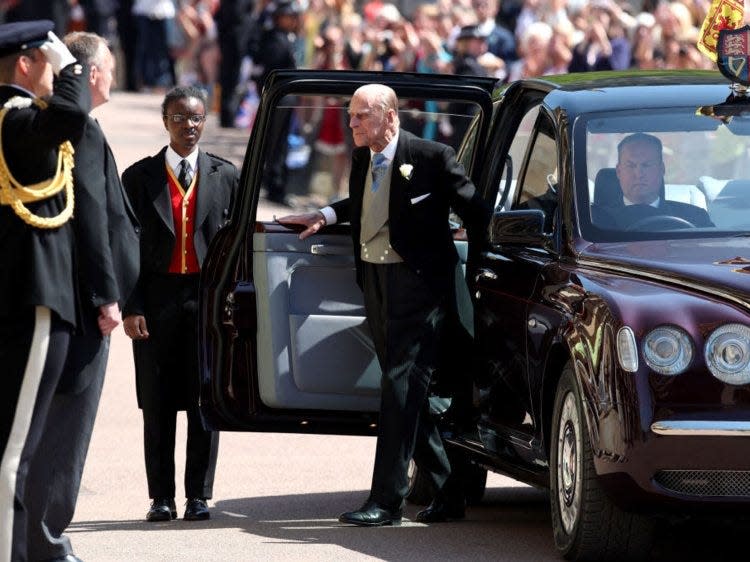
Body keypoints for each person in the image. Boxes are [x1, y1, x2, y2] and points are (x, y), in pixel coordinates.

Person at [277, 83, 490, 526]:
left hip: (419, 288)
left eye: (361, 116)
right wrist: (327, 215)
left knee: (397, 386)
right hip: (374, 280)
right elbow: (366, 201)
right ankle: (450, 489)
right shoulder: (363, 155)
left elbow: (476, 211)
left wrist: (471, 268)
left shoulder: (433, 156)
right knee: (406, 392)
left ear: (389, 116)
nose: (351, 124)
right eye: (351, 116)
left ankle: (387, 501)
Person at [23, 31, 140, 562]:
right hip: (86, 303)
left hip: (74, 299)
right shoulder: (84, 131)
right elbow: (92, 217)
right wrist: (107, 296)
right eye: (110, 67)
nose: (113, 75)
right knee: (66, 429)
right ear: (91, 73)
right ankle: (45, 540)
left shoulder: (75, 126)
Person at [122, 85, 238, 522]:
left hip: (205, 301)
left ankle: (198, 495)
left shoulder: (225, 175)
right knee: (157, 402)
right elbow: (123, 247)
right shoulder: (139, 178)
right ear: (165, 121)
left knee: (204, 402)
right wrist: (131, 306)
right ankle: (161, 497)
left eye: (196, 119)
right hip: (156, 300)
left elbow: (237, 243)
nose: (188, 127)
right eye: (179, 118)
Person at [0, 20, 90, 560]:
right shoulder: (16, 119)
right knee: (14, 452)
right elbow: (72, 114)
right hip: (34, 300)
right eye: (47, 61)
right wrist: (74, 65)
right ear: (28, 64)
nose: (55, 73)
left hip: (21, 294)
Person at [595, 133, 713, 228]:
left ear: (662, 169)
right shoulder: (593, 222)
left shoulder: (694, 217)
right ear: (618, 171)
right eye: (631, 165)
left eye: (646, 165)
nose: (638, 174)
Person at [251, 0, 301, 206]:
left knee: (280, 144)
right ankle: (272, 184)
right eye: (286, 16)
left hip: (286, 98)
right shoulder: (273, 39)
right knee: (273, 143)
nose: (290, 21)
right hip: (278, 97)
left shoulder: (288, 38)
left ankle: (275, 183)